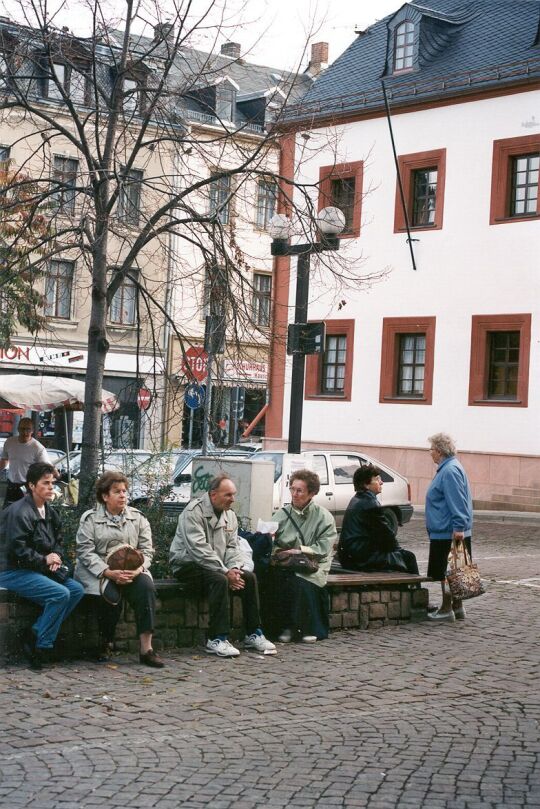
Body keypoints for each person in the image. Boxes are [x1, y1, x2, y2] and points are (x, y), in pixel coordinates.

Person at [169, 473, 276, 657]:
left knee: (249, 577)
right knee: (219, 580)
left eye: (233, 495)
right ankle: (217, 638)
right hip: (187, 565)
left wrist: (235, 569)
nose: (232, 499)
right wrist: (226, 572)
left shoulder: (230, 516)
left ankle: (253, 633)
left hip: (217, 567)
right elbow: (198, 550)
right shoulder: (193, 512)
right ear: (213, 495)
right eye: (228, 495)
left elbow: (233, 546)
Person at [75, 471, 165, 668]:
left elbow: (148, 551)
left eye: (125, 491)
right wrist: (108, 572)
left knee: (146, 588)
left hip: (132, 570)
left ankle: (146, 649)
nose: (123, 495)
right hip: (98, 571)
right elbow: (85, 551)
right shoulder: (90, 519)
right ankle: (105, 642)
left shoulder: (138, 518)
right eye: (117, 491)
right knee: (110, 594)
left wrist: (138, 569)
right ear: (105, 496)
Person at [0, 462, 85, 670]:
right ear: (31, 485)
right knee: (59, 594)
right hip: (11, 570)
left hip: (36, 568)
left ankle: (36, 631)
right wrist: (44, 560)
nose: (50, 487)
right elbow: (16, 549)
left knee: (76, 590)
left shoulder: (49, 512)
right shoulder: (19, 512)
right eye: (45, 483)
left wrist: (56, 556)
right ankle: (42, 647)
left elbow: (58, 541)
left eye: (52, 483)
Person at [269, 469, 337, 643]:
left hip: (314, 563)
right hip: (288, 563)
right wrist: (278, 551)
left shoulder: (324, 517)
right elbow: (270, 541)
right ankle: (284, 628)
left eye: (299, 490)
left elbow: (324, 546)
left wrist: (300, 551)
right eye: (292, 489)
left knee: (301, 581)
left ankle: (307, 629)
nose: (294, 494)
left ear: (311, 493)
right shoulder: (282, 514)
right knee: (275, 578)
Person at [425, 432, 473, 622]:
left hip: (448, 531)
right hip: (449, 529)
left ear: (439, 451)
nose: (430, 453)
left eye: (431, 450)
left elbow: (457, 501)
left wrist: (459, 526)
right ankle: (457, 607)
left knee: (448, 572)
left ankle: (446, 609)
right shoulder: (451, 467)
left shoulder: (450, 470)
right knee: (455, 570)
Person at [337, 464, 419, 574]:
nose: (381, 482)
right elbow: (386, 535)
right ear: (366, 484)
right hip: (360, 558)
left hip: (351, 555)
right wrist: (398, 550)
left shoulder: (358, 498)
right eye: (377, 479)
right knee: (408, 557)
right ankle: (413, 589)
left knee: (400, 555)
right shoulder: (369, 503)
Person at [0, 418, 53, 507]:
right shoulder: (10, 442)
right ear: (18, 429)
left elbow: (47, 468)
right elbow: (4, 461)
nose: (25, 432)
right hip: (11, 485)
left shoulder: (38, 448)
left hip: (28, 487)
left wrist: (56, 476)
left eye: (28, 429)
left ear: (32, 430)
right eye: (22, 429)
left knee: (25, 515)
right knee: (8, 514)